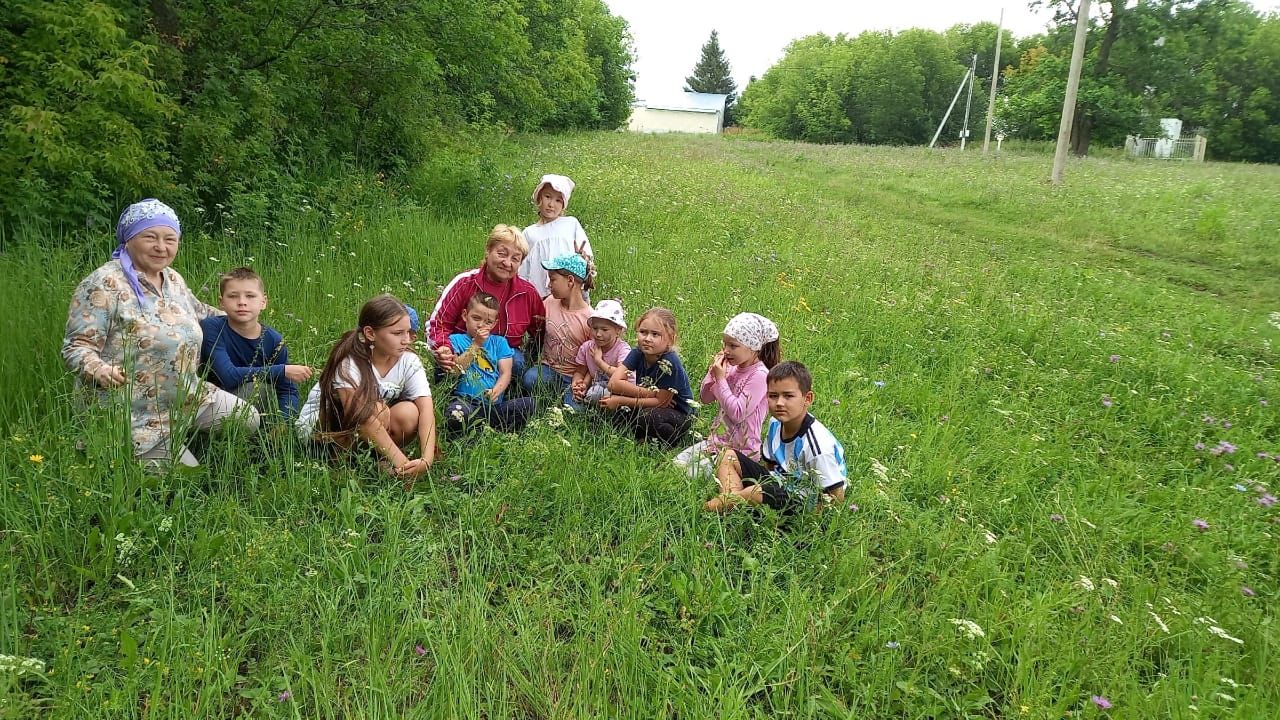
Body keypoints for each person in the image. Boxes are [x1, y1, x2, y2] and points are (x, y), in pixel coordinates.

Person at [62, 199, 260, 467]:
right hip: (129, 412)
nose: (161, 247)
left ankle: (181, 438)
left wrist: (245, 316)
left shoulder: (172, 279)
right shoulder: (103, 284)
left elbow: (201, 312)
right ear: (129, 238)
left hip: (183, 397)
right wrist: (98, 369)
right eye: (150, 237)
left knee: (245, 418)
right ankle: (120, 449)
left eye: (170, 239)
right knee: (184, 479)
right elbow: (76, 347)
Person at [296, 294, 436, 480]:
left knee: (409, 412)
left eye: (408, 332)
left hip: (365, 429)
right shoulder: (349, 362)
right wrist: (403, 464)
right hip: (321, 430)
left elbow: (426, 408)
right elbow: (362, 419)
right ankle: (340, 462)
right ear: (370, 333)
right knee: (377, 411)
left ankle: (373, 459)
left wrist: (427, 459)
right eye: (397, 333)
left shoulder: (408, 361)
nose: (406, 340)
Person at [705, 361, 847, 513]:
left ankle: (709, 508)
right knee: (727, 456)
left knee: (755, 493)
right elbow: (770, 467)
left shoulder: (817, 444)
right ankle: (732, 508)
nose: (779, 403)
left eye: (788, 396)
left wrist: (806, 519)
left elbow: (837, 497)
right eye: (773, 396)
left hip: (806, 500)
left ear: (807, 399)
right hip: (782, 482)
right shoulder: (775, 423)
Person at [427, 225, 545, 379]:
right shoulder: (465, 283)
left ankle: (508, 393)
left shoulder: (527, 293)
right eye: (502, 254)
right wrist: (443, 348)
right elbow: (439, 323)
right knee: (445, 367)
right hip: (464, 348)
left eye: (515, 259)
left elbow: (541, 332)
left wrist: (531, 359)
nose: (507, 263)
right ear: (488, 251)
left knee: (517, 362)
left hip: (502, 357)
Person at [674, 313, 781, 479]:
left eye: (733, 346)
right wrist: (713, 374)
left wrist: (721, 379)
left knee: (688, 474)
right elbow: (705, 398)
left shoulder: (760, 375)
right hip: (715, 443)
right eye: (725, 344)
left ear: (753, 347)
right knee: (676, 464)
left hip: (739, 451)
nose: (726, 350)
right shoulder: (731, 368)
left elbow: (738, 414)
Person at [199, 267, 311, 422]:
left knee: (264, 391)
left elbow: (287, 390)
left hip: (250, 406)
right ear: (222, 302)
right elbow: (227, 376)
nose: (242, 302)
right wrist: (282, 370)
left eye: (250, 296)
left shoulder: (274, 340)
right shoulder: (211, 328)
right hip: (210, 401)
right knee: (258, 389)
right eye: (233, 296)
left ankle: (265, 435)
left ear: (263, 302)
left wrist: (285, 423)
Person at [442, 292, 536, 435]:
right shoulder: (455, 340)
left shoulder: (499, 343)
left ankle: (485, 426)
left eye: (488, 322)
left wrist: (497, 390)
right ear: (464, 315)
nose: (480, 325)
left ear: (494, 323)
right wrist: (476, 344)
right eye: (476, 318)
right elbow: (455, 370)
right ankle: (483, 429)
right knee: (455, 413)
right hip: (465, 401)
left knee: (531, 405)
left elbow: (506, 373)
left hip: (493, 406)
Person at [602, 307, 694, 449]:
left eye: (655, 334)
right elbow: (613, 383)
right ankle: (629, 438)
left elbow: (661, 403)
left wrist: (620, 400)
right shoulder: (637, 352)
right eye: (643, 332)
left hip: (678, 414)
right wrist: (651, 393)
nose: (647, 339)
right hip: (652, 401)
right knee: (622, 407)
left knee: (649, 416)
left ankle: (670, 441)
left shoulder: (670, 362)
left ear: (671, 339)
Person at [522, 254, 593, 402]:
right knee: (530, 379)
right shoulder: (550, 302)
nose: (548, 284)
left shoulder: (589, 319)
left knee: (574, 411)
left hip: (574, 376)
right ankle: (547, 399)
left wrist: (582, 383)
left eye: (553, 279)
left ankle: (563, 397)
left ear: (570, 281)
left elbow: (592, 357)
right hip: (549, 369)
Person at [519, 174, 594, 298]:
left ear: (564, 204)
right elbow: (522, 267)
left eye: (558, 200)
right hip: (540, 293)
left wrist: (582, 257)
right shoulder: (529, 233)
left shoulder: (570, 224)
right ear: (539, 198)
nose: (551, 204)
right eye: (548, 197)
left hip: (569, 290)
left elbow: (586, 256)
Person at [569, 299, 631, 408]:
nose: (598, 334)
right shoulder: (587, 347)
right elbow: (581, 371)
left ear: (618, 331)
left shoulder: (623, 350)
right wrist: (579, 384)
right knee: (579, 399)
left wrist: (599, 361)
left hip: (621, 391)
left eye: (604, 329)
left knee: (596, 394)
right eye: (595, 328)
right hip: (597, 386)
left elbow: (622, 375)